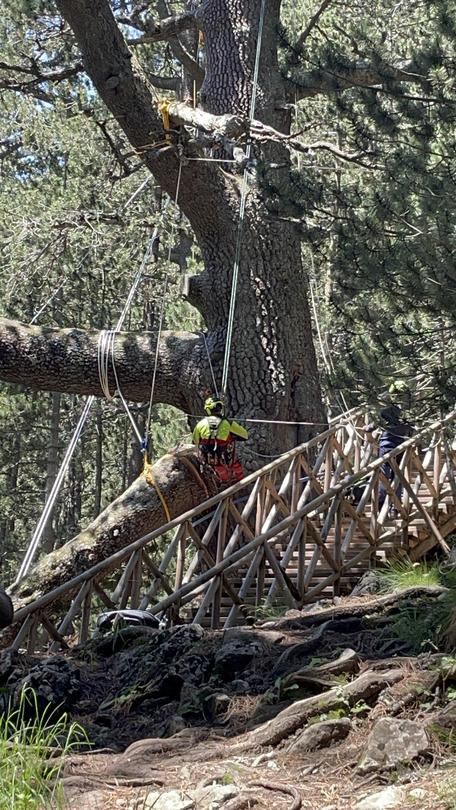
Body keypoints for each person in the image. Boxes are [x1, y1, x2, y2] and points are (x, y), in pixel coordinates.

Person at [366, 404, 414, 513]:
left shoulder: (383, 417)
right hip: (400, 448)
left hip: (386, 448)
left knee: (384, 476)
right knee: (397, 476)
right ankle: (395, 506)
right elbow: (412, 431)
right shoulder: (404, 419)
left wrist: (367, 429)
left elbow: (369, 428)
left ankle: (382, 503)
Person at [192, 396, 248, 482]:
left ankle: (223, 483)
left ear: (208, 409)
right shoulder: (227, 423)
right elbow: (245, 435)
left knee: (220, 472)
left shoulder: (200, 424)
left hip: (211, 460)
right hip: (228, 458)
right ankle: (243, 482)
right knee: (236, 466)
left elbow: (195, 441)